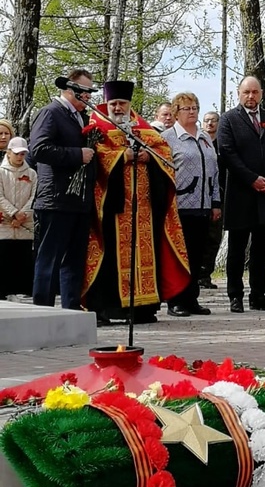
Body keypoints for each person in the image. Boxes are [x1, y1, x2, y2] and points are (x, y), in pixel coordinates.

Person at [83, 81, 190, 324]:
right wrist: (123, 155)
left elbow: (164, 152)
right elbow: (96, 154)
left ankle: (141, 309)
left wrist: (148, 157)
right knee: (109, 257)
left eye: (122, 103)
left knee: (145, 254)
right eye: (113, 104)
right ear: (107, 104)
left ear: (130, 104)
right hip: (112, 209)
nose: (118, 108)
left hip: (144, 207)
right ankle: (109, 309)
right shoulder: (97, 124)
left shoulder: (143, 128)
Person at [217, 75, 265, 313]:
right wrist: (251, 178)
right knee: (237, 247)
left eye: (255, 92)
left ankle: (258, 295)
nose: (251, 96)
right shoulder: (228, 120)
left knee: (261, 247)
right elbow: (227, 153)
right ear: (239, 94)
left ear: (261, 93)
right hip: (240, 192)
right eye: (246, 92)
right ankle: (235, 295)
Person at [30, 69, 97, 309]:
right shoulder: (51, 113)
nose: (89, 97)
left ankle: (71, 310)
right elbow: (37, 149)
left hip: (78, 200)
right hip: (56, 199)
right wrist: (77, 154)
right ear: (70, 89)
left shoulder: (81, 117)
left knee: (74, 260)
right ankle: (43, 312)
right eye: (85, 92)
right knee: (50, 259)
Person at [162, 93, 221, 317]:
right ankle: (175, 300)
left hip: (203, 205)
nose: (193, 111)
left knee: (197, 255)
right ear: (176, 112)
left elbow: (214, 172)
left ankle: (191, 298)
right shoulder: (167, 138)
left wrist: (215, 202)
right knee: (179, 255)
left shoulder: (205, 138)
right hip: (179, 206)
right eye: (187, 108)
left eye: (195, 107)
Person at [0, 137, 37, 299]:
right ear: (8, 153)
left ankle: (21, 293)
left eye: (23, 154)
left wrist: (23, 215)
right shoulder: (1, 172)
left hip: (25, 226)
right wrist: (13, 212)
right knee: (4, 261)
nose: (20, 157)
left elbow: (34, 196)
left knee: (22, 261)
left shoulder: (32, 173)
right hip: (5, 225)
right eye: (16, 153)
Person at [198, 110, 224, 289]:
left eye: (213, 121)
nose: (210, 124)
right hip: (199, 195)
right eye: (206, 121)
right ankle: (196, 273)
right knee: (200, 235)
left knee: (214, 237)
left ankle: (206, 274)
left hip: (219, 195)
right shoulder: (199, 141)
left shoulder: (223, 143)